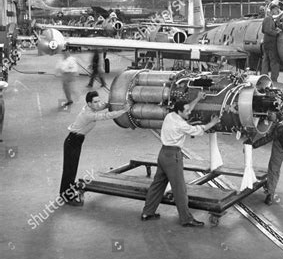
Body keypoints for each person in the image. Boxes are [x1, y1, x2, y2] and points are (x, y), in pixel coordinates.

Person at [141, 93, 220, 227]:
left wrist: (198, 98)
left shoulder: (170, 116)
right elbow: (197, 130)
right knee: (180, 189)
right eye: (187, 111)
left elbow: (186, 111)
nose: (190, 112)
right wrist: (212, 123)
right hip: (173, 157)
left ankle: (147, 212)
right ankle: (186, 219)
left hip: (163, 154)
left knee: (157, 185)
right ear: (179, 111)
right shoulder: (181, 125)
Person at [59, 91, 130, 206]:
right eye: (95, 102)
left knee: (72, 169)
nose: (98, 104)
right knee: (69, 170)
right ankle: (67, 197)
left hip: (75, 141)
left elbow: (101, 107)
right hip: (72, 142)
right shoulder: (88, 114)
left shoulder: (90, 108)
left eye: (98, 101)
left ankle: (67, 192)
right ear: (89, 103)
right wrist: (123, 111)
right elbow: (105, 116)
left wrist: (108, 105)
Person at [261, 1, 282, 82]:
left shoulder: (269, 19)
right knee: (274, 62)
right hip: (270, 43)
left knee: (265, 61)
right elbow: (267, 30)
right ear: (273, 10)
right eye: (277, 9)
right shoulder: (269, 19)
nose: (277, 11)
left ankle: (264, 78)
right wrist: (277, 32)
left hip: (266, 42)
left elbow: (263, 30)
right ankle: (274, 80)